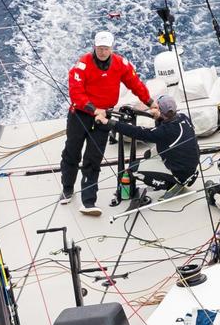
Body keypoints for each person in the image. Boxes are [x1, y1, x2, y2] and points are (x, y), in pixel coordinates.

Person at [62, 31, 156, 216]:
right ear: (94, 48)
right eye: (99, 48)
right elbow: (76, 93)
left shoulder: (121, 64)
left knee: (93, 158)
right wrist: (93, 109)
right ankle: (67, 188)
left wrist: (150, 102)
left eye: (106, 48)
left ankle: (88, 202)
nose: (103, 52)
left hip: (103, 116)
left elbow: (135, 84)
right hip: (81, 115)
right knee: (72, 152)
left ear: (112, 48)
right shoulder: (82, 65)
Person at [106, 95, 200, 199]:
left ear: (160, 110)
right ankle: (179, 177)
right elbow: (164, 127)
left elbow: (138, 132)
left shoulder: (165, 132)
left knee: (133, 169)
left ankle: (173, 183)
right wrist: (159, 117)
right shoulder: (183, 117)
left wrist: (111, 123)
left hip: (181, 172)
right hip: (190, 166)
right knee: (148, 155)